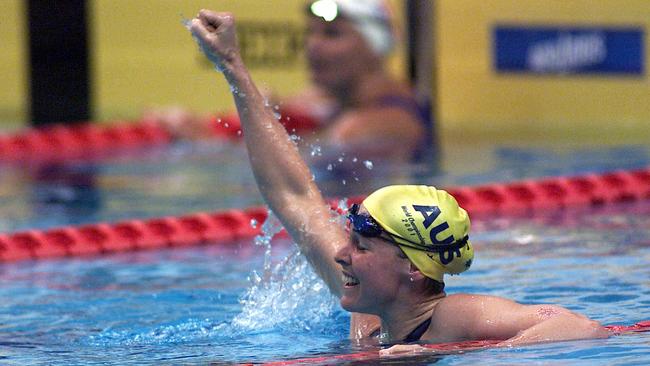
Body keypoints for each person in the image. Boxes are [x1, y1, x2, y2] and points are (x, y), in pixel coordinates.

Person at [187, 9, 609, 355]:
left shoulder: (452, 319)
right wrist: (232, 66)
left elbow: (578, 326)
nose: (341, 255)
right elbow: (292, 195)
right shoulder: (371, 312)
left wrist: (447, 351)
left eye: (362, 247)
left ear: (410, 264)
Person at [149, 0, 431, 162]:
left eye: (332, 35)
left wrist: (204, 143)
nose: (313, 46)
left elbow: (290, 170)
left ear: (375, 47)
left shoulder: (382, 122)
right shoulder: (329, 104)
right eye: (311, 33)